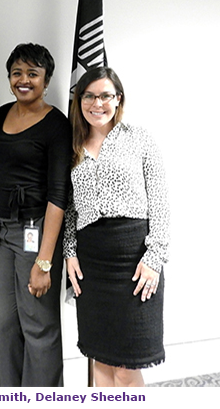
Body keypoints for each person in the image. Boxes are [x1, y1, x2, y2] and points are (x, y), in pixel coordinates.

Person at [64, 67, 169, 387]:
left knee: (126, 366)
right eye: (89, 96)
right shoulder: (72, 147)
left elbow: (160, 202)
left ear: (118, 99)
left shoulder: (139, 139)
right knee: (101, 358)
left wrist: (155, 258)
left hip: (135, 262)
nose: (98, 103)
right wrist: (69, 254)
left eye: (105, 95)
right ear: (80, 100)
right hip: (92, 266)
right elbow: (70, 210)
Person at [0, 43, 72, 387]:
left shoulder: (57, 125)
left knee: (38, 326)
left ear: (46, 79)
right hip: (2, 234)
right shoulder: (3, 113)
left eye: (33, 74)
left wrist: (45, 262)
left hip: (35, 231)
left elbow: (58, 196)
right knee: (6, 325)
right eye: (17, 73)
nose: (24, 80)